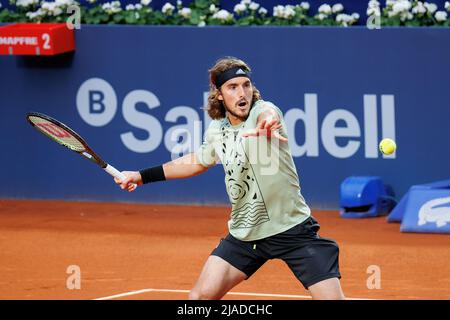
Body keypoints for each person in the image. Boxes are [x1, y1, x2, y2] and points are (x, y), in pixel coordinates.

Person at [115, 57, 345, 300]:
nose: (242, 92)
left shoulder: (263, 111)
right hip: (245, 233)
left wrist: (267, 124)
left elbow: (267, 114)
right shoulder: (217, 129)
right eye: (232, 87)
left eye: (246, 85)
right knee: (199, 299)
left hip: (291, 229)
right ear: (219, 94)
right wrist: (141, 176)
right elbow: (196, 162)